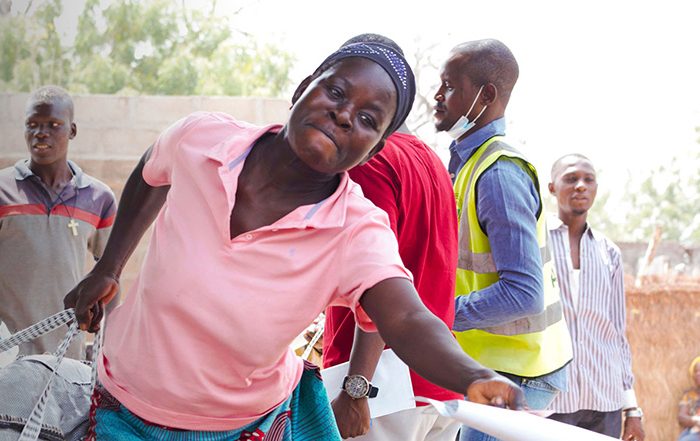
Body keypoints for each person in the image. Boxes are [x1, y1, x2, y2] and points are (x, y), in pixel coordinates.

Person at [64, 40, 525, 440]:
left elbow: (404, 317)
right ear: (303, 86)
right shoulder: (203, 139)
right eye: (336, 92)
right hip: (122, 405)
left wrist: (473, 375)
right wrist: (108, 268)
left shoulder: (356, 229)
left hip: (246, 428)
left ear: (377, 146)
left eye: (368, 118)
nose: (343, 115)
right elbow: (151, 171)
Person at [323, 34, 463, 441]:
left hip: (381, 389)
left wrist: (356, 389)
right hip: (435, 385)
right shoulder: (431, 160)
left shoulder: (372, 160)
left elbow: (380, 277)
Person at [432, 39, 573, 441]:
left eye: (450, 86)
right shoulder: (467, 164)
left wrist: (435, 316)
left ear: (486, 95)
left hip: (519, 373)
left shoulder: (498, 174)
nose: (438, 97)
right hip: (496, 365)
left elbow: (523, 294)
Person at [0, 86, 116, 359]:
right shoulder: (3, 190)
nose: (41, 133)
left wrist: (107, 338)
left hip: (67, 356)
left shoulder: (99, 198)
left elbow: (112, 273)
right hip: (8, 354)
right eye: (33, 125)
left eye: (53, 125)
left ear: (72, 131)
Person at [545, 154, 645, 441]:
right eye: (571, 179)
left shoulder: (609, 252)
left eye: (588, 180)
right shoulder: (535, 241)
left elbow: (617, 334)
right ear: (552, 188)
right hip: (551, 400)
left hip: (605, 401)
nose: (580, 186)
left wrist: (632, 409)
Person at [677, 357, 700, 440]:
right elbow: (681, 417)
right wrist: (696, 421)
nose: (698, 374)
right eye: (696, 371)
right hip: (695, 432)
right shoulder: (689, 395)